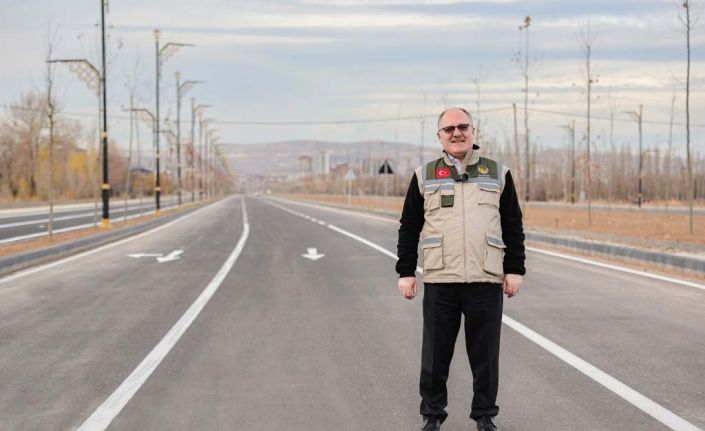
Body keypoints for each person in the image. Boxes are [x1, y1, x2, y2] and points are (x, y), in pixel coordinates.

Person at [395, 107, 525, 431]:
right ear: (439, 136)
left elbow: (513, 225)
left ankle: (485, 416)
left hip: (485, 278)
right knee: (435, 358)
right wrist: (406, 272)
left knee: (485, 359)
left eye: (462, 126)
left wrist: (515, 269)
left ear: (474, 131)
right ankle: (432, 416)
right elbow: (409, 226)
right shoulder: (424, 175)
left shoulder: (498, 173)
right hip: (441, 280)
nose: (457, 133)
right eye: (449, 128)